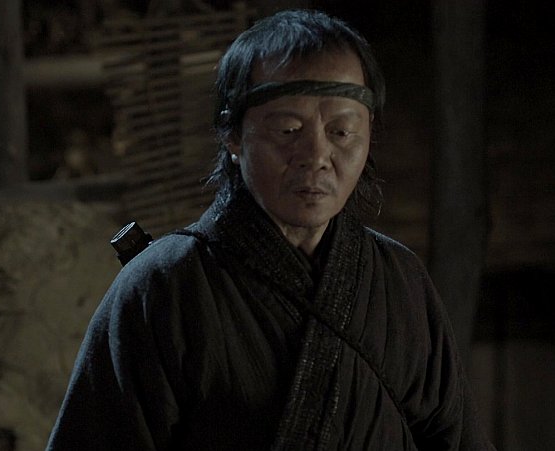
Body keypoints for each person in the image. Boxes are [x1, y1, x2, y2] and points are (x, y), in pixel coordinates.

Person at [47, 9, 494, 450]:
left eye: (341, 132)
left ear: (368, 134)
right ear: (233, 135)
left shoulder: (400, 281)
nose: (316, 156)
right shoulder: (163, 288)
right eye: (288, 129)